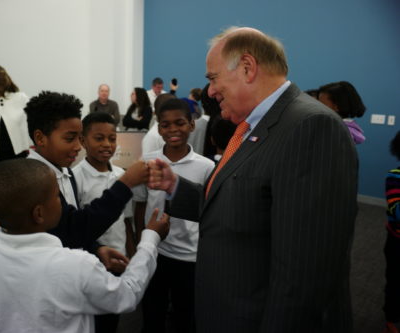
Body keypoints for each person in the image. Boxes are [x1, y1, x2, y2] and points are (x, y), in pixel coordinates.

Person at [147, 26, 358, 332]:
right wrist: (175, 186)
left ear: (247, 67)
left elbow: (305, 277)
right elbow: (240, 204)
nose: (210, 91)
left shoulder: (312, 128)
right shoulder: (254, 127)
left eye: (212, 78)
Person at [0, 158, 170, 333]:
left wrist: (94, 248)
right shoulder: (75, 265)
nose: (61, 202)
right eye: (56, 196)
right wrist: (150, 239)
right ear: (39, 213)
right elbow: (127, 295)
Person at [24, 90, 149, 273]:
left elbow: (73, 227)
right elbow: (74, 228)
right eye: (69, 138)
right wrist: (126, 183)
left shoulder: (65, 171)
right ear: (40, 138)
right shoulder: (33, 180)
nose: (77, 146)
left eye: (78, 137)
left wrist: (95, 248)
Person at [134, 98, 215, 333]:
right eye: (165, 125)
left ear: (191, 124)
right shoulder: (148, 161)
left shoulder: (206, 167)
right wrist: (141, 242)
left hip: (190, 256)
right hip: (155, 252)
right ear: (159, 128)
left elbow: (207, 212)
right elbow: (141, 204)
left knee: (185, 316)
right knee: (152, 314)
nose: (172, 130)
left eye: (179, 123)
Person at [73, 112, 135, 333]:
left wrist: (131, 254)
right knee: (89, 321)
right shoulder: (75, 178)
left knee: (111, 318)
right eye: (99, 138)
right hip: (89, 262)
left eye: (112, 138)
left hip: (118, 259)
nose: (107, 144)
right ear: (83, 141)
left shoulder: (121, 175)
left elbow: (125, 221)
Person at [383, 131, 400, 333]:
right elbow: (397, 210)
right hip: (396, 241)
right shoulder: (395, 176)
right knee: (395, 282)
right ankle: (391, 320)